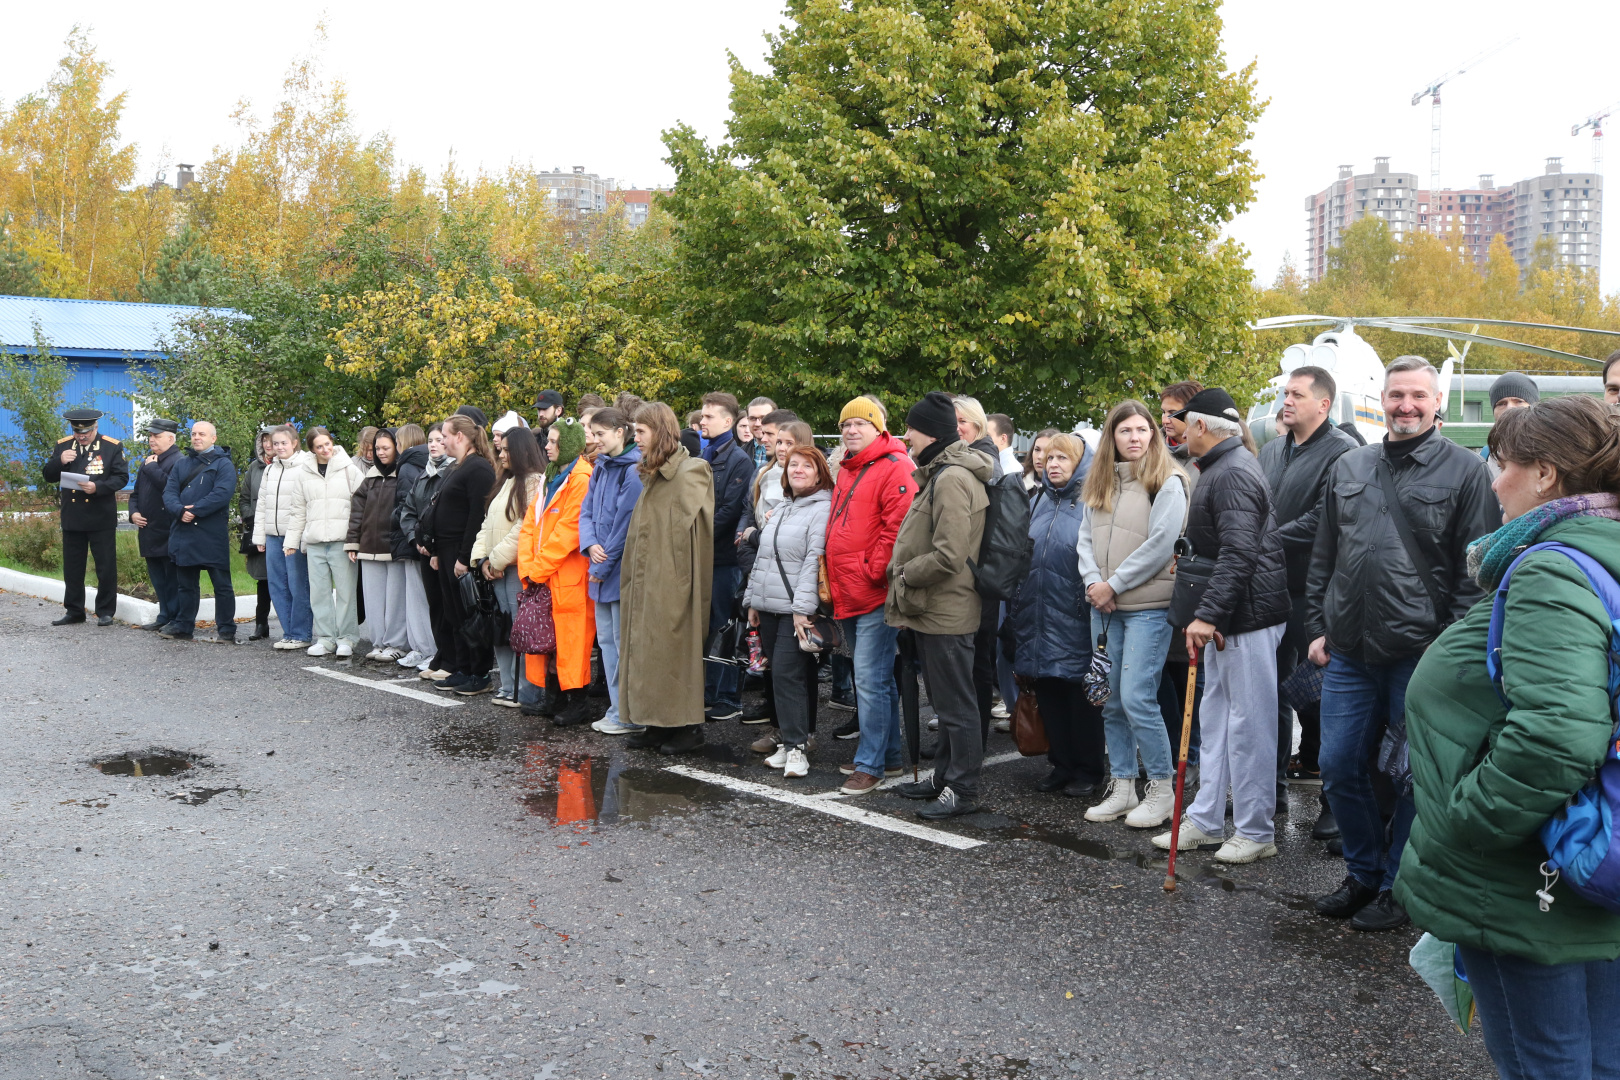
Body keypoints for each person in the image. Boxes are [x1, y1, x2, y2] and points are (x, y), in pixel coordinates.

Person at [1394, 396, 1620, 1077]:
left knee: (1544, 1061)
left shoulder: (1552, 567)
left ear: (1546, 474)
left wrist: (1468, 825)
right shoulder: (1599, 549)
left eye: (1500, 464)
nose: (1491, 481)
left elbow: (1556, 735)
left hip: (1530, 870)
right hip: (1589, 850)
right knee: (1601, 1055)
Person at [1305, 355, 1500, 930]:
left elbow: (1476, 573)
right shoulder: (1351, 466)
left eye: (1418, 396)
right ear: (1381, 401)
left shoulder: (1466, 472)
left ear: (1437, 402)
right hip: (1350, 650)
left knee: (1414, 777)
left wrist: (1452, 651)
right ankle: (1363, 875)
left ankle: (1399, 885)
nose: (1406, 406)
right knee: (1338, 764)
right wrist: (1319, 626)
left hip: (1423, 654)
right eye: (1396, 396)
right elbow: (1325, 552)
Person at [1151, 388, 1290, 865]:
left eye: (1183, 423)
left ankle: (1255, 830)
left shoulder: (1232, 473)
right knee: (1215, 719)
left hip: (1245, 617)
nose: (1178, 431)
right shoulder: (1219, 468)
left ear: (1203, 427)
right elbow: (1223, 547)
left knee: (1249, 726)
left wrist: (1208, 614)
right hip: (1232, 614)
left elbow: (1240, 553)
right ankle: (1208, 820)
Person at [1258, 365, 1359, 838]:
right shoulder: (1272, 450)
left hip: (1316, 593)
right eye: (1285, 392)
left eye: (1297, 393)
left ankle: (1335, 800)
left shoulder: (1344, 452)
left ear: (1324, 404)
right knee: (1271, 692)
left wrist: (1266, 540)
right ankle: (1270, 790)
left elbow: (1326, 517)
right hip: (1268, 587)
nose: (1286, 400)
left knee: (1322, 698)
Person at [1078, 403, 1189, 826]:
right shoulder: (1101, 481)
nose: (1136, 437)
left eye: (1143, 429)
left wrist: (1112, 585)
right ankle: (1122, 786)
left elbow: (1162, 543)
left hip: (1146, 608)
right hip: (1104, 608)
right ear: (1113, 437)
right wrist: (1093, 583)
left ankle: (1161, 790)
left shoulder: (1168, 480)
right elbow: (1083, 540)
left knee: (1139, 698)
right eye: (1126, 430)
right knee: (1110, 698)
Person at [888, 391, 991, 819]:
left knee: (956, 705)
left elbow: (949, 554)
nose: (906, 435)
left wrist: (906, 574)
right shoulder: (942, 472)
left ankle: (962, 790)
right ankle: (945, 776)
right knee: (947, 704)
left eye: (910, 427)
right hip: (935, 608)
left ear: (927, 432)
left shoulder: (951, 478)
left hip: (946, 608)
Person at [823, 397, 915, 793]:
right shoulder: (849, 467)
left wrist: (872, 570)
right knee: (876, 679)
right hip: (849, 589)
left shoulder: (895, 466)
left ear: (879, 427)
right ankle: (889, 757)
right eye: (846, 424)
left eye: (861, 423)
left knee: (870, 679)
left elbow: (898, 529)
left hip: (873, 592)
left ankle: (871, 764)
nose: (851, 430)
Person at [1011, 431, 1108, 797]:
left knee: (1080, 696)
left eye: (1062, 458)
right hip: (1036, 613)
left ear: (1081, 462)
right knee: (1049, 690)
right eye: (1049, 458)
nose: (1053, 464)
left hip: (1075, 615)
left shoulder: (1093, 502)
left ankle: (1088, 768)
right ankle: (1061, 764)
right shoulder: (1037, 501)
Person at [619, 403, 715, 754]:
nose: (636, 438)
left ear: (659, 431)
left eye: (641, 432)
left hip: (674, 580)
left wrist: (678, 583)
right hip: (647, 576)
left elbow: (688, 535)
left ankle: (686, 728)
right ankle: (655, 722)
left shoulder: (691, 471)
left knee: (675, 651)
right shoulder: (654, 475)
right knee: (646, 650)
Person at [742, 445, 834, 778]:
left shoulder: (822, 509)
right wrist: (752, 601)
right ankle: (789, 744)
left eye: (806, 466)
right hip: (767, 606)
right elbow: (763, 559)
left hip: (794, 609)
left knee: (787, 675)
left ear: (819, 472)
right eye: (793, 465)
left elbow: (815, 560)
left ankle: (796, 748)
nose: (797, 470)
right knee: (776, 676)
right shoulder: (782, 508)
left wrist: (802, 610)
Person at [519, 420, 596, 723]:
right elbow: (530, 526)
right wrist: (529, 567)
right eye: (548, 441)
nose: (547, 446)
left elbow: (568, 533)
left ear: (570, 445)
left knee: (571, 641)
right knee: (548, 640)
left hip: (568, 577)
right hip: (544, 575)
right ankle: (553, 699)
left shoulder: (581, 479)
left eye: (553, 442)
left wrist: (534, 570)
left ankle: (576, 703)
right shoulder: (550, 477)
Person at [580, 408, 644, 735]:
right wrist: (590, 545)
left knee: (621, 644)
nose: (595, 439)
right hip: (600, 567)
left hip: (618, 571)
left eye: (600, 433)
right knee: (606, 641)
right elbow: (586, 512)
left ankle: (627, 713)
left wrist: (601, 564)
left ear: (621, 432)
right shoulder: (602, 467)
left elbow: (626, 523)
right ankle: (616, 708)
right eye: (593, 433)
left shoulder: (632, 470)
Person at [424, 414, 497, 692]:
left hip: (460, 550)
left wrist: (464, 558)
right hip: (446, 549)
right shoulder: (459, 466)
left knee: (469, 613)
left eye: (445, 434)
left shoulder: (477, 468)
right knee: (455, 613)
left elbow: (476, 517)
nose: (441, 440)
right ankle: (463, 667)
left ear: (460, 436)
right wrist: (436, 550)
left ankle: (479, 673)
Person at [474, 426, 544, 708]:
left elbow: (524, 527)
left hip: (516, 569)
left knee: (519, 629)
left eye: (505, 450)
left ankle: (524, 689)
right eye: (500, 449)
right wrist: (481, 560)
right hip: (496, 568)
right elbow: (487, 525)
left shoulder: (533, 481)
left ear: (521, 451)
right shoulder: (506, 481)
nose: (500, 455)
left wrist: (497, 559)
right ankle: (507, 686)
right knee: (500, 628)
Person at [699, 391, 756, 722]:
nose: (702, 421)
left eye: (709, 416)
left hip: (723, 559)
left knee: (724, 626)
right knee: (706, 626)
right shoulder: (703, 452)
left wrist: (695, 534)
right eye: (703, 416)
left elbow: (729, 510)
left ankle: (726, 697)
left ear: (728, 421)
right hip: (704, 557)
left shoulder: (739, 460)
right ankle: (707, 691)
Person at [42, 408, 128, 626]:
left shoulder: (111, 446)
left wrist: (97, 487)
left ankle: (106, 611)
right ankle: (74, 611)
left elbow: (121, 478)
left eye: (86, 432)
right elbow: (48, 476)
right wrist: (59, 461)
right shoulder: (63, 445)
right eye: (77, 432)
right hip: (73, 516)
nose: (81, 436)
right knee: (72, 568)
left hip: (100, 516)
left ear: (95, 428)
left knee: (105, 566)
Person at [285, 427, 365, 658]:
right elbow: (298, 510)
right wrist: (291, 541)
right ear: (311, 449)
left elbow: (362, 505)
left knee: (346, 593)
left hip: (342, 542)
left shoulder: (349, 469)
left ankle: (347, 638)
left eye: (327, 444)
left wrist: (355, 541)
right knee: (318, 593)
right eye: (319, 446)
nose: (325, 449)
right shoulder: (303, 472)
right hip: (315, 542)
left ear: (333, 443)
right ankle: (326, 638)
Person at [160, 421, 239, 642]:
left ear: (213, 438)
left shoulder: (223, 464)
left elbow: (222, 494)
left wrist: (195, 511)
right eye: (194, 434)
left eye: (202, 434)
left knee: (222, 585)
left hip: (211, 533)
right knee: (186, 585)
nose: (196, 437)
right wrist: (179, 511)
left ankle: (226, 629)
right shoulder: (182, 463)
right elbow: (169, 492)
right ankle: (184, 626)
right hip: (183, 531)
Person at [347, 428, 408, 661]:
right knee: (373, 600)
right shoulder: (369, 478)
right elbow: (357, 513)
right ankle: (378, 642)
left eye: (386, 448)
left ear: (396, 448)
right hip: (368, 548)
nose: (380, 453)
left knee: (395, 600)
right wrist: (353, 542)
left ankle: (396, 644)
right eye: (377, 449)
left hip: (392, 548)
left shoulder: (403, 474)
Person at [253, 425, 313, 649]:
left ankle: (301, 633)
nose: (278, 447)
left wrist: (303, 535)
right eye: (274, 443)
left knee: (298, 586)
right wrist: (260, 537)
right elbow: (262, 506)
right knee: (277, 586)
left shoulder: (306, 466)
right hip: (272, 535)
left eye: (283, 443)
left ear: (294, 443)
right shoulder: (270, 470)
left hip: (294, 536)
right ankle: (288, 632)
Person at [389, 424, 436, 670]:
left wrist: (398, 521)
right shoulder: (425, 462)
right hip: (423, 538)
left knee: (418, 598)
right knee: (425, 598)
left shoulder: (407, 466)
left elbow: (407, 504)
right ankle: (426, 649)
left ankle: (425, 649)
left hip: (414, 539)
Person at [129, 418, 183, 632]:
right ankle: (164, 615)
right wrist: (133, 513)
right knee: (158, 578)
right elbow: (135, 494)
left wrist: (151, 468)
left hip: (167, 529)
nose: (152, 439)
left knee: (172, 578)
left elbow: (170, 489)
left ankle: (175, 617)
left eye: (157, 436)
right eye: (150, 436)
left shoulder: (178, 461)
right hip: (148, 530)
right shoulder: (149, 461)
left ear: (171, 438)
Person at [240, 429, 275, 640]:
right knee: (263, 579)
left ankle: (292, 626)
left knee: (285, 578)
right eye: (264, 440)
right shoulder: (254, 467)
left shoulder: (291, 466)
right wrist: (250, 518)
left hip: (282, 528)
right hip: (259, 529)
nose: (267, 444)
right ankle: (261, 624)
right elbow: (244, 498)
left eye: (271, 440)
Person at [1479, 372, 1539, 480]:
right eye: (1501, 403)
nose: (1509, 408)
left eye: (1519, 401)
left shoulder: (1548, 452)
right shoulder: (1485, 456)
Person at [1159, 381, 1203, 471]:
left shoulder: (1211, 454)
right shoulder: (1148, 449)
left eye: (1173, 413)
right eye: (1163, 412)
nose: (1165, 420)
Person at [1021, 428, 1059, 496]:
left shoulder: (1062, 490)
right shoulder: (1017, 483)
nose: (1040, 457)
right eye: (1037, 450)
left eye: (1047, 450)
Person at [745, 397, 777, 468]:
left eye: (763, 418)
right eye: (753, 418)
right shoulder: (741, 453)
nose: (758, 424)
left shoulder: (784, 453)